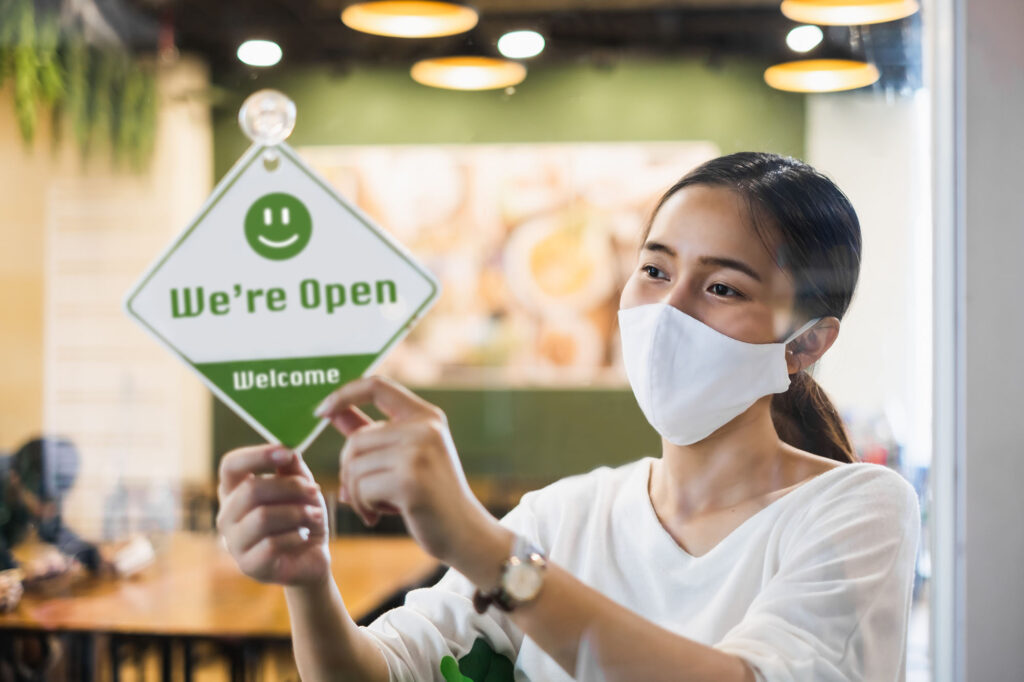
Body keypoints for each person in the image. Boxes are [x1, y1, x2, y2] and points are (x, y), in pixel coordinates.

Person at [215, 152, 920, 682]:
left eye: (722, 287)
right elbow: (387, 669)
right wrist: (308, 580)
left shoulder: (856, 509)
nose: (668, 311)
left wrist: (479, 544)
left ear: (806, 344)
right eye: (654, 270)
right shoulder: (563, 518)